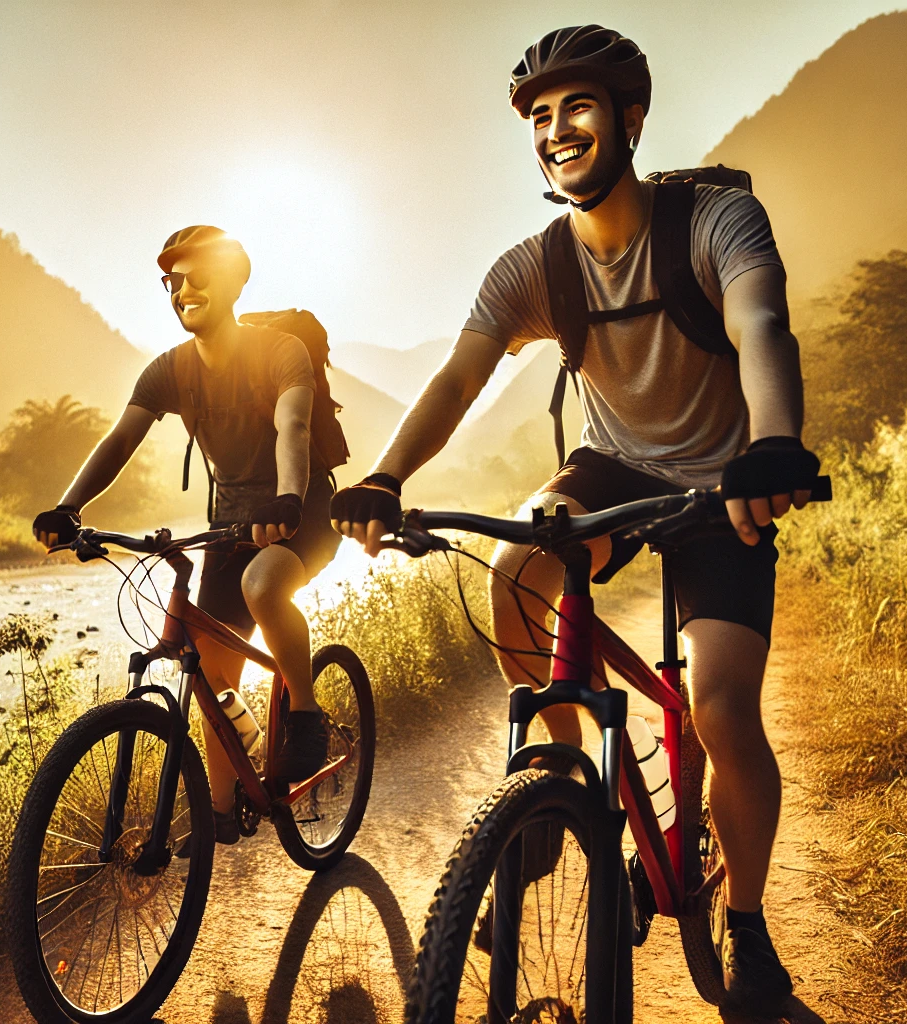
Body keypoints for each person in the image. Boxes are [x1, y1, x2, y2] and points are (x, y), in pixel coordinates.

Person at [329, 26, 814, 1016]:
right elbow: (459, 376)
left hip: (724, 483)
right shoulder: (533, 267)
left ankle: (750, 924)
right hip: (611, 468)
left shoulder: (714, 222)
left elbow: (759, 321)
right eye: (539, 116)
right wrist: (382, 474)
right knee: (518, 564)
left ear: (629, 118)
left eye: (577, 106)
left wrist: (771, 445)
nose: (557, 129)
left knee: (720, 709)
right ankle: (558, 787)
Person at [33, 226, 341, 845]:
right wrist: (69, 508)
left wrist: (286, 497)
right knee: (215, 678)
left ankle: (304, 713)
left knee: (264, 582)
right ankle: (223, 811)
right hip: (230, 525)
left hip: (302, 509)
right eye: (171, 282)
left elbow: (295, 427)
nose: (181, 290)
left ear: (230, 281)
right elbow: (121, 439)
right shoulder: (170, 371)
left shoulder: (281, 352)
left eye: (195, 276)